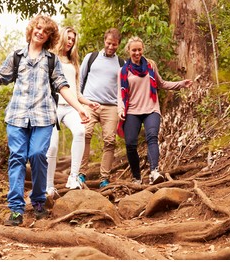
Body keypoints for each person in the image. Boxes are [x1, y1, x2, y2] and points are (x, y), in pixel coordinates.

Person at [0, 15, 90, 226]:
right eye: (38, 28)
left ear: (50, 37)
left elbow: (63, 87)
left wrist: (80, 108)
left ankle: (38, 201)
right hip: (16, 117)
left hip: (43, 118)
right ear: (32, 29)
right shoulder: (17, 56)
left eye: (46, 31)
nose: (40, 32)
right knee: (16, 158)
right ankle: (16, 210)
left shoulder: (51, 61)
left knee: (37, 155)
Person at [117, 36, 193, 185]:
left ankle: (154, 171)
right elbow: (120, 93)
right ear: (129, 51)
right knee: (130, 144)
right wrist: (120, 109)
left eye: (139, 49)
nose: (137, 53)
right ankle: (137, 177)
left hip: (151, 108)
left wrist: (181, 84)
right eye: (134, 50)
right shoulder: (123, 71)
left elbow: (161, 83)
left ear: (143, 49)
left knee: (152, 137)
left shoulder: (151, 66)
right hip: (132, 110)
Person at [46, 27, 100, 196]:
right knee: (52, 146)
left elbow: (76, 93)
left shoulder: (73, 62)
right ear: (61, 37)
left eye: (73, 39)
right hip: (52, 106)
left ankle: (73, 177)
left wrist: (89, 103)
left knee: (80, 131)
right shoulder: (49, 57)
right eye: (68, 38)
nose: (70, 41)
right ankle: (48, 186)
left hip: (71, 107)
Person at [78, 28, 124, 188]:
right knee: (85, 135)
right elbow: (81, 80)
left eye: (114, 44)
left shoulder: (121, 63)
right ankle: (80, 174)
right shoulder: (91, 58)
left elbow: (122, 88)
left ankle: (104, 179)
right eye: (109, 43)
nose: (111, 47)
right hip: (89, 103)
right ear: (104, 41)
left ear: (118, 44)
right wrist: (80, 102)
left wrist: (121, 107)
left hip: (111, 107)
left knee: (110, 142)